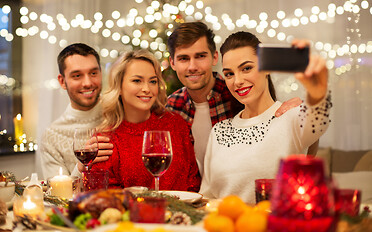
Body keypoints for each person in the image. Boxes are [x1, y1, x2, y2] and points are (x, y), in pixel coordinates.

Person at [166, 21, 315, 174]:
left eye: (200, 56)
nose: (192, 66)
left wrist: (305, 114)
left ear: (214, 57)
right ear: (172, 62)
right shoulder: (171, 106)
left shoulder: (236, 93)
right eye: (183, 58)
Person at [199, 31, 332, 203]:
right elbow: (207, 196)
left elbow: (319, 121)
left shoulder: (291, 116)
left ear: (266, 68)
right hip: (224, 226)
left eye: (246, 68)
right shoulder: (219, 131)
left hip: (274, 227)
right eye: (229, 74)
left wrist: (317, 93)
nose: (237, 81)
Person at [90, 49, 200, 191]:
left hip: (183, 212)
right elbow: (105, 200)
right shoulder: (105, 140)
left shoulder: (176, 124)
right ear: (119, 87)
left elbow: (193, 182)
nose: (147, 89)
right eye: (137, 81)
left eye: (152, 81)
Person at [40, 43, 113, 179]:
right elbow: (57, 197)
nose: (87, 83)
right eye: (77, 76)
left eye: (93, 73)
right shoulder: (51, 136)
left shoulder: (119, 113)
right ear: (62, 82)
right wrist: (82, 165)